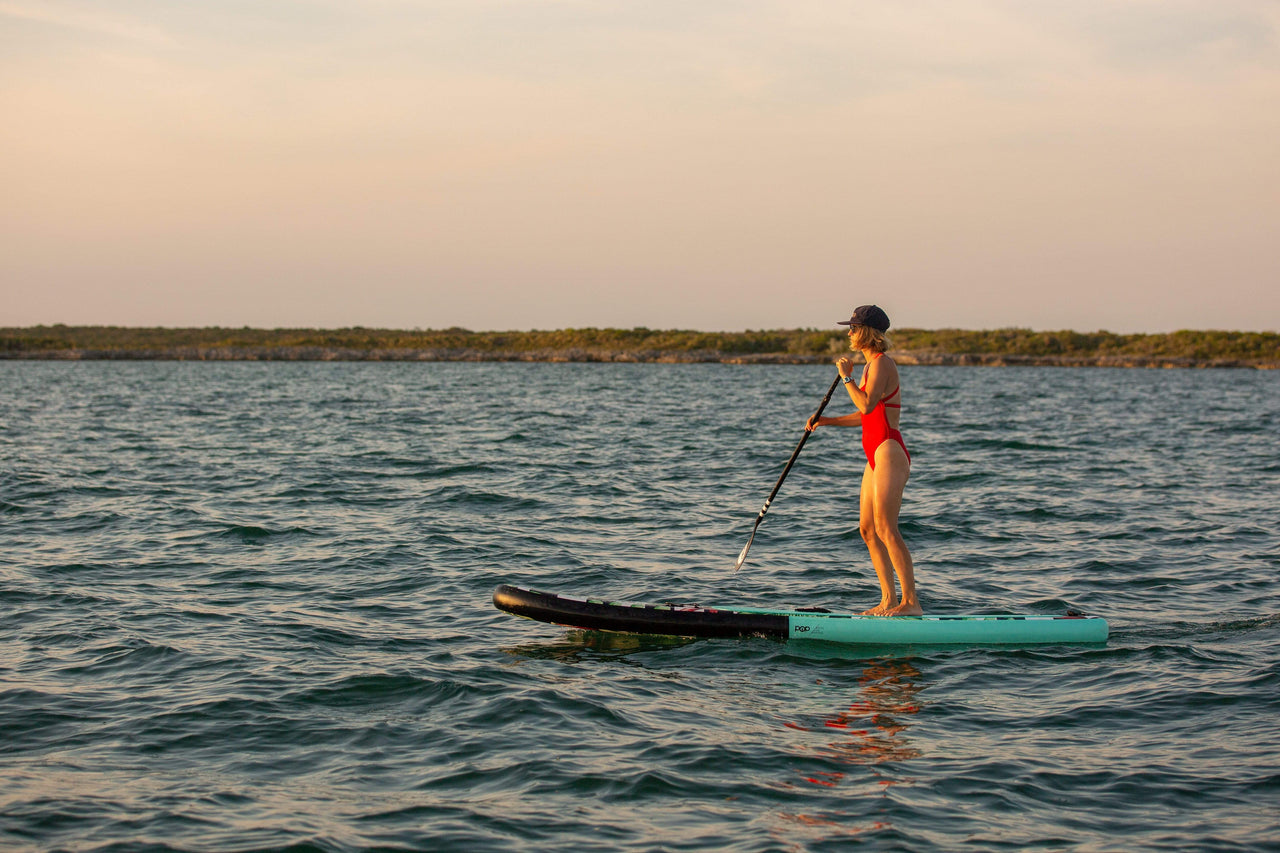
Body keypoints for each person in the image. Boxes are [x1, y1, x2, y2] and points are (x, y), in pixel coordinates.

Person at [806, 305, 920, 616]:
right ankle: (887, 600)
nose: (849, 333)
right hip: (873, 453)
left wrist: (846, 379)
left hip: (888, 450)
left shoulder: (882, 363)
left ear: (866, 333)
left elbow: (868, 406)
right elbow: (863, 415)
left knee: (886, 527)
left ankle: (911, 603)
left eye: (853, 328)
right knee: (867, 529)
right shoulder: (871, 367)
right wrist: (826, 421)